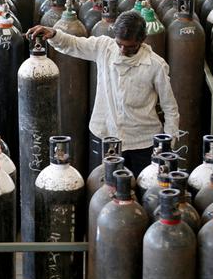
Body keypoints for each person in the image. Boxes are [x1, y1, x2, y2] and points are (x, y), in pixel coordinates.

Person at [27, 11, 180, 176]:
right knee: (105, 187)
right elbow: (74, 44)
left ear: (141, 40)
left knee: (142, 188)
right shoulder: (104, 48)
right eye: (119, 44)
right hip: (106, 138)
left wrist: (168, 145)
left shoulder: (156, 65)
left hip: (142, 143)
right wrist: (54, 34)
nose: (122, 50)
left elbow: (170, 108)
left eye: (129, 47)